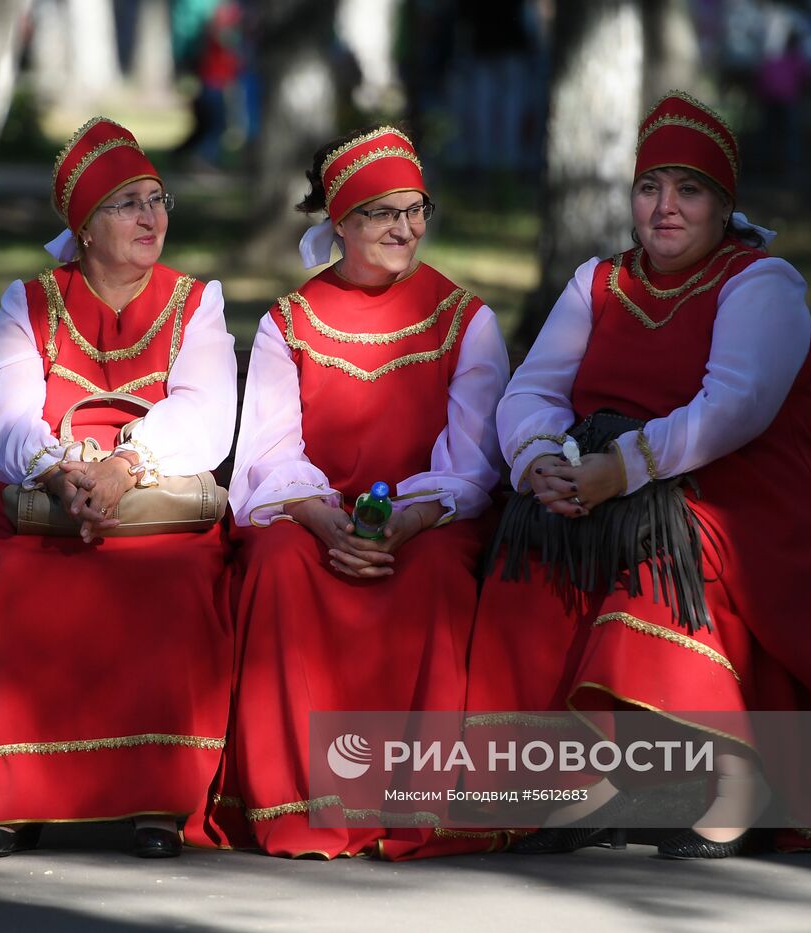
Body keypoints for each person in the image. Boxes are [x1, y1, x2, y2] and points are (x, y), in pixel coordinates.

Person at [466, 92, 811, 858]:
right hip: (608, 481)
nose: (665, 207)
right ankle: (582, 779)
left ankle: (739, 780)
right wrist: (540, 459)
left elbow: (733, 407)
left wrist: (624, 469)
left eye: (689, 190)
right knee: (531, 548)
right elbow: (532, 389)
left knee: (661, 557)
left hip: (742, 502)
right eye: (649, 187)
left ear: (723, 205)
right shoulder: (597, 282)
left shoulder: (762, 283)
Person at [0, 117, 237, 860]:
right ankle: (11, 798)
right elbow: (9, 414)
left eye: (157, 199)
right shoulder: (28, 303)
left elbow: (207, 410)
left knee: (175, 580)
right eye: (127, 204)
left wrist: (125, 466)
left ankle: (156, 800)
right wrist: (61, 473)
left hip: (157, 505)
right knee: (22, 583)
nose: (150, 218)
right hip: (50, 502)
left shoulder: (195, 302)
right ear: (84, 227)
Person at [185, 126, 511, 859]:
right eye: (383, 213)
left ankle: (414, 805)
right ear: (341, 222)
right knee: (277, 565)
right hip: (317, 518)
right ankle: (301, 804)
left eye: (415, 209)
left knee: (436, 574)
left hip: (428, 518)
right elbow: (270, 450)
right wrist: (322, 519)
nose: (406, 228)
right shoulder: (289, 322)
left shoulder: (465, 320)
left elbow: (473, 457)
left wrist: (407, 521)